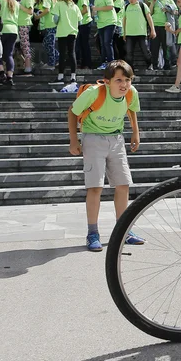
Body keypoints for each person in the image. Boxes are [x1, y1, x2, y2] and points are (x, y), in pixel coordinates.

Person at [67, 60, 144, 251]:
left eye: (127, 80)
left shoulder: (131, 93)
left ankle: (124, 231)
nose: (124, 84)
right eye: (118, 80)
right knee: (95, 187)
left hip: (116, 140)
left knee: (123, 184)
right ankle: (92, 233)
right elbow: (72, 111)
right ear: (107, 81)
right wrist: (74, 140)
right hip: (93, 139)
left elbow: (132, 109)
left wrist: (135, 132)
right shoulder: (94, 93)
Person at [49, 0, 81, 85]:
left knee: (62, 54)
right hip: (73, 32)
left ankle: (60, 76)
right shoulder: (75, 6)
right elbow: (80, 21)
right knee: (72, 53)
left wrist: (57, 23)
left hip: (62, 32)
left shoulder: (58, 5)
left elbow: (56, 19)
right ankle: (73, 76)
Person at [122, 0, 155, 71]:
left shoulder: (142, 5)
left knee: (146, 51)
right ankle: (130, 68)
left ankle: (149, 64)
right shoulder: (126, 7)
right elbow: (124, 20)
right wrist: (124, 33)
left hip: (141, 33)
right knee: (129, 52)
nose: (130, 0)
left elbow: (149, 17)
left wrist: (152, 30)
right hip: (129, 33)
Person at [148, 0, 176, 71]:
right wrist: (152, 3)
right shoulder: (153, 0)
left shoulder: (169, 0)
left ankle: (167, 64)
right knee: (154, 47)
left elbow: (175, 11)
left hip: (165, 27)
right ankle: (155, 65)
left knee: (166, 46)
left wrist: (167, 9)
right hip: (155, 25)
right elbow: (149, 12)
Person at [0, 0, 19, 86]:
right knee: (9, 54)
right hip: (13, 30)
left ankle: (1, 72)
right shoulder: (15, 2)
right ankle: (10, 77)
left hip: (2, 29)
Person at [90, 0, 116, 70]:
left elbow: (110, 7)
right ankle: (104, 62)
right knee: (102, 44)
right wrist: (94, 12)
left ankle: (111, 62)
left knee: (107, 43)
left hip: (109, 22)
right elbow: (97, 11)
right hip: (101, 24)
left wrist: (97, 9)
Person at [33, 0, 58, 70]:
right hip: (52, 23)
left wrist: (38, 16)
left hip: (50, 24)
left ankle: (52, 64)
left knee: (49, 44)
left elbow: (47, 10)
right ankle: (56, 58)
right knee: (47, 43)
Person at [69, 0, 92, 69]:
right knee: (80, 45)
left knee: (85, 44)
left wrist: (76, 16)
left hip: (85, 23)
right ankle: (83, 64)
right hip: (80, 24)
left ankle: (87, 64)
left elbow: (85, 9)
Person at [15, 0, 35, 76]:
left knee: (25, 45)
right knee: (22, 45)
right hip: (20, 23)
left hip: (24, 23)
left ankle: (28, 67)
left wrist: (19, 6)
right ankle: (26, 65)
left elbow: (30, 11)